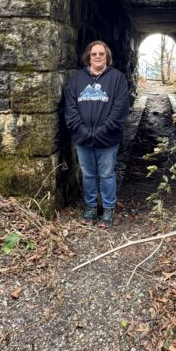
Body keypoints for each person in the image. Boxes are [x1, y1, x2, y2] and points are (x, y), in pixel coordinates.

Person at [64, 40, 129, 228]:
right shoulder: (77, 79)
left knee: (107, 174)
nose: (98, 57)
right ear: (88, 57)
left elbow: (120, 108)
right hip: (83, 138)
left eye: (102, 53)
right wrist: (83, 131)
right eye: (94, 54)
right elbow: (70, 107)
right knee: (88, 175)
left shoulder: (117, 78)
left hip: (108, 138)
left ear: (107, 56)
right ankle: (91, 207)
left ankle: (108, 209)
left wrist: (102, 131)